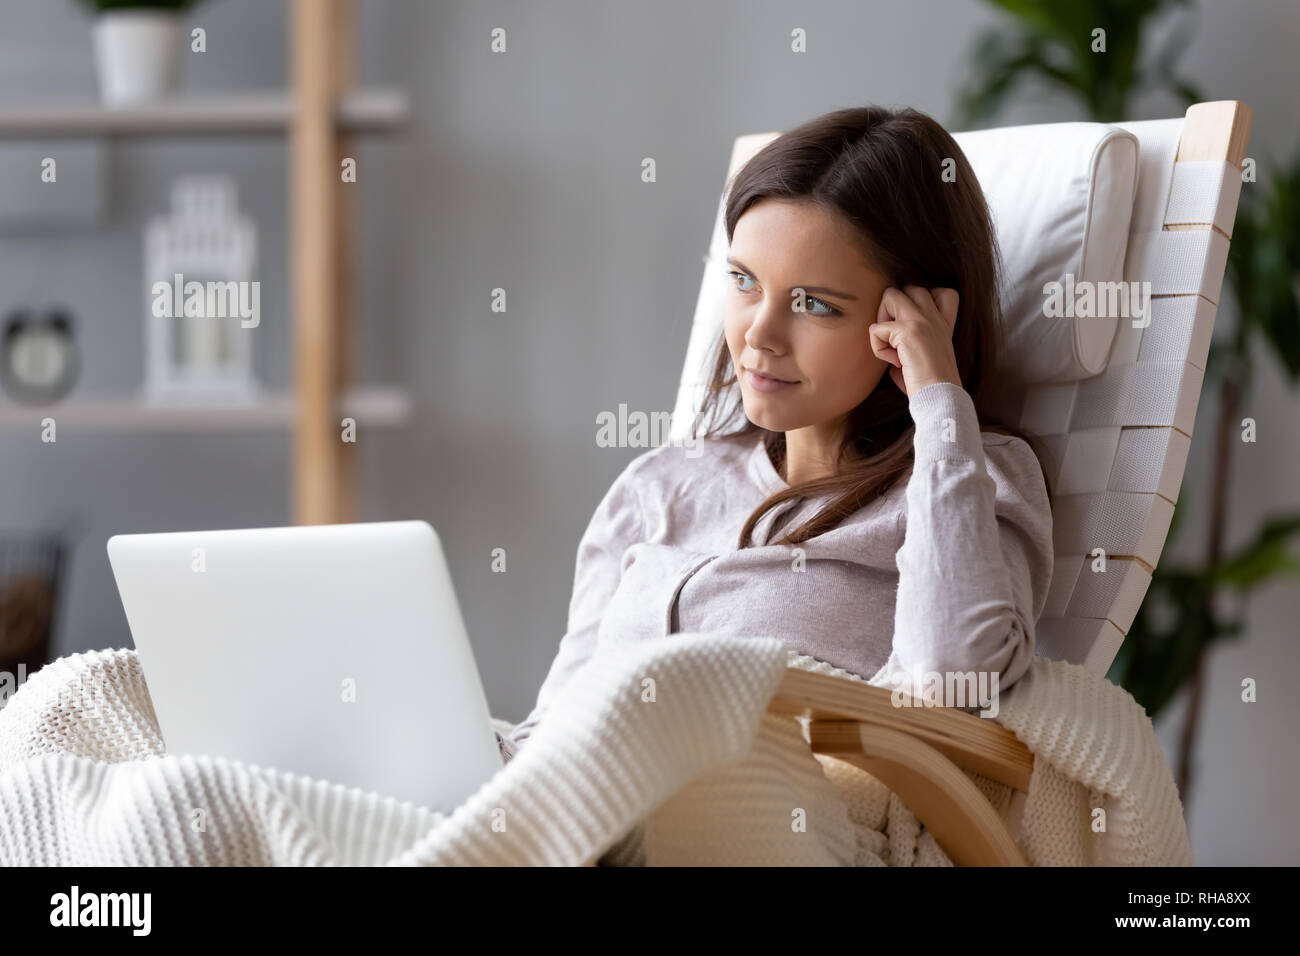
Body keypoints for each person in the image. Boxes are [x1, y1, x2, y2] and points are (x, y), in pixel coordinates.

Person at [497, 105, 1053, 764]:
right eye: (744, 281)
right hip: (582, 799)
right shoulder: (660, 485)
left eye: (814, 304)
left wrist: (938, 402)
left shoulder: (970, 478)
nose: (758, 334)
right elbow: (553, 723)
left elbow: (952, 678)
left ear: (911, 320)